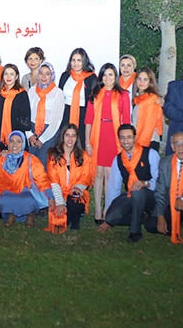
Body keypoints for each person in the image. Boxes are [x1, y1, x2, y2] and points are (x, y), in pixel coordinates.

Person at [84, 63, 131, 224]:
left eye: (111, 75)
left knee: (110, 175)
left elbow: (126, 120)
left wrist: (126, 143)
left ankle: (107, 209)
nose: (108, 78)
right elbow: (88, 120)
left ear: (115, 77)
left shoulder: (123, 95)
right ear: (101, 77)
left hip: (114, 136)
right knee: (98, 174)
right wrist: (87, 142)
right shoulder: (95, 94)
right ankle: (97, 209)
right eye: (105, 75)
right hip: (97, 136)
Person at [99, 124, 159, 242]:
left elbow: (160, 182)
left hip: (151, 195)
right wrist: (109, 210)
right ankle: (142, 217)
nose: (126, 141)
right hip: (131, 195)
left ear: (135, 138)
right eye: (122, 138)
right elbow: (113, 187)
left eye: (129, 137)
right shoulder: (118, 159)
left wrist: (145, 183)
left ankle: (135, 231)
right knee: (111, 217)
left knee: (138, 191)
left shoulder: (150, 154)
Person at [0, 131, 49, 228]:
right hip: (8, 190)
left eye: (18, 141)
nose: (14, 144)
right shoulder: (2, 159)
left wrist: (50, 195)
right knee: (4, 199)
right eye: (12, 141)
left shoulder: (30, 159)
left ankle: (30, 214)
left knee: (28, 199)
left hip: (26, 190)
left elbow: (41, 178)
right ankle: (12, 214)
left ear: (23, 144)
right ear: (8, 143)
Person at [44, 123, 93, 233]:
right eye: (67, 135)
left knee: (74, 202)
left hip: (76, 191)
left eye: (73, 135)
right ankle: (67, 214)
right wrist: (60, 202)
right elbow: (53, 181)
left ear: (77, 138)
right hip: (58, 192)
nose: (70, 138)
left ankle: (75, 219)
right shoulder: (53, 155)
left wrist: (77, 188)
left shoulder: (83, 156)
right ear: (62, 137)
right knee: (58, 220)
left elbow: (86, 177)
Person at [26, 61, 64, 166]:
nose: (44, 76)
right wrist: (29, 135)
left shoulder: (58, 93)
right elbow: (26, 114)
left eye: (47, 74)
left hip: (49, 133)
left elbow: (57, 120)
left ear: (52, 76)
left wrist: (43, 139)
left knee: (44, 166)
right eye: (41, 73)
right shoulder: (32, 91)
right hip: (32, 131)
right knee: (30, 164)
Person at [58, 48, 97, 141]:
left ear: (84, 61)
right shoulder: (65, 76)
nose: (76, 63)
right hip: (66, 113)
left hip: (84, 115)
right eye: (73, 60)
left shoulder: (91, 78)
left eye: (79, 60)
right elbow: (59, 96)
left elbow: (94, 101)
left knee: (81, 143)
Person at [0, 64, 31, 151]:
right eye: (6, 74)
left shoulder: (22, 94)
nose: (8, 77)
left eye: (12, 74)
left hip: (17, 135)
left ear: (16, 77)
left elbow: (25, 117)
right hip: (0, 135)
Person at [132, 67, 163, 150]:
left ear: (150, 82)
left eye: (145, 79)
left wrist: (139, 144)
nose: (141, 82)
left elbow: (149, 125)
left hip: (148, 142)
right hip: (140, 140)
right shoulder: (138, 98)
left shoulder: (152, 99)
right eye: (139, 79)